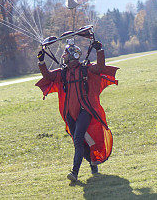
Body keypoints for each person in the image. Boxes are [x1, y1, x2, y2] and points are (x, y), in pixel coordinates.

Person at [35, 40, 119, 183]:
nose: (63, 56)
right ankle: (92, 161)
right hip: (69, 113)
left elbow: (100, 68)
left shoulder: (85, 70)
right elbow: (48, 76)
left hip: (84, 110)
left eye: (65, 54)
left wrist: (100, 51)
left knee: (78, 139)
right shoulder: (63, 73)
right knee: (78, 142)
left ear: (72, 56)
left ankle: (74, 172)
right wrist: (41, 61)